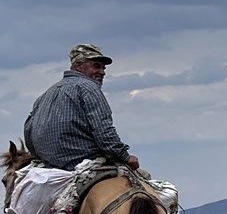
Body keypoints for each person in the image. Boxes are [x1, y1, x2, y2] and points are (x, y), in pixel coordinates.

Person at [24, 43, 140, 171]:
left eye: (103, 68)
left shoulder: (45, 95)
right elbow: (103, 131)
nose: (102, 72)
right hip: (85, 161)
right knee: (143, 178)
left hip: (51, 167)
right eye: (96, 66)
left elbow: (29, 134)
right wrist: (124, 156)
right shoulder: (89, 88)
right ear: (78, 66)